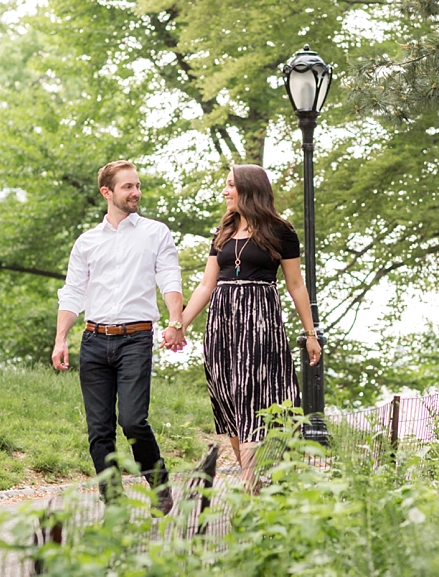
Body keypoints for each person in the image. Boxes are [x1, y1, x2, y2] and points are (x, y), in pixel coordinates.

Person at [171, 164, 321, 490]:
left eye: (230, 185)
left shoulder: (281, 231)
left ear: (248, 189)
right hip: (222, 327)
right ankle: (254, 487)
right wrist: (178, 322)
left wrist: (310, 334)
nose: (225, 192)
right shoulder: (222, 232)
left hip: (261, 324)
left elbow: (296, 285)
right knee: (231, 406)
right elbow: (206, 286)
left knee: (255, 403)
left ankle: (258, 490)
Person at [52, 160, 185, 515]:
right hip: (94, 340)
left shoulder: (156, 233)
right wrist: (61, 339)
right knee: (99, 429)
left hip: (135, 340)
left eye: (137, 185)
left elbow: (169, 277)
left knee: (132, 420)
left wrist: (176, 319)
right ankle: (113, 503)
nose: (136, 192)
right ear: (107, 193)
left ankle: (158, 482)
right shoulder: (87, 242)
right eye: (128, 187)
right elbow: (73, 292)